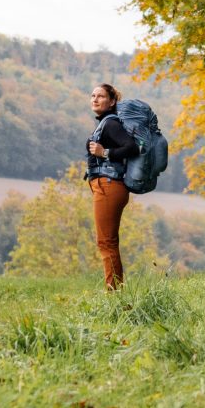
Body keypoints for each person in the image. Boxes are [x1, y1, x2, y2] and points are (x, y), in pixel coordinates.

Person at [85, 83, 141, 290]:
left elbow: (132, 147)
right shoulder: (105, 124)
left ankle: (114, 293)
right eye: (93, 95)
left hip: (108, 186)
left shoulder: (110, 124)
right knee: (108, 242)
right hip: (106, 186)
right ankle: (115, 291)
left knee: (106, 242)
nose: (95, 99)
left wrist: (105, 153)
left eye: (101, 96)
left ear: (112, 101)